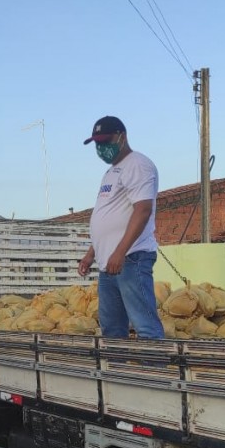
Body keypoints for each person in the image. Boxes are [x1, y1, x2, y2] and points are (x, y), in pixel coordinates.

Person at [77, 116, 165, 340]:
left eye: (105, 141)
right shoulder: (110, 173)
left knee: (145, 325)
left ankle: (155, 364)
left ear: (122, 137)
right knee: (112, 330)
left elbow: (142, 210)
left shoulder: (138, 165)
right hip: (109, 263)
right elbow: (109, 216)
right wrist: (90, 254)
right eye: (97, 143)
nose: (101, 148)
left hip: (131, 258)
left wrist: (120, 252)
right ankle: (116, 364)